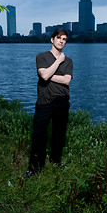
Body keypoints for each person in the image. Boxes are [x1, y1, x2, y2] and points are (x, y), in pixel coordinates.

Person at [23, 28, 73, 177]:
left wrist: (48, 74)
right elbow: (44, 76)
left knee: (59, 134)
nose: (61, 41)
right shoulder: (42, 56)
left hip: (62, 102)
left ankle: (55, 161)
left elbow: (66, 80)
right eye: (59, 38)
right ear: (52, 39)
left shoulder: (69, 61)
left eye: (64, 39)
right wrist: (57, 62)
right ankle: (34, 168)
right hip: (45, 101)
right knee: (39, 135)